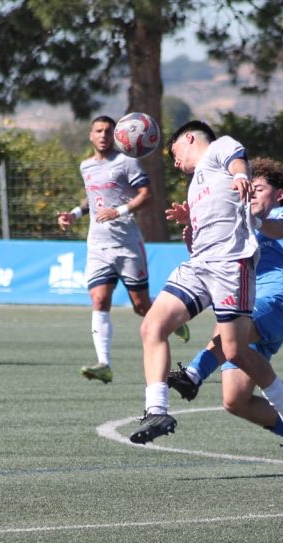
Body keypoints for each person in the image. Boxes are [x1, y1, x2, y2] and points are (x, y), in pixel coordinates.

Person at [130, 121, 283, 468]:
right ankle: (156, 410)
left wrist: (241, 176)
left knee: (233, 346)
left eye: (174, 152)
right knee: (155, 330)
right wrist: (192, 227)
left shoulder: (222, 154)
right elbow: (211, 231)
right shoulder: (198, 185)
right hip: (203, 266)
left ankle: (200, 378)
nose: (174, 162)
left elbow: (237, 158)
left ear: (189, 138)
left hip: (259, 284)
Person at [166, 158, 283, 457]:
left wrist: (254, 220)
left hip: (279, 298)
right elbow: (213, 261)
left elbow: (277, 228)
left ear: (279, 194)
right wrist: (194, 233)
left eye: (259, 188)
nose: (252, 193)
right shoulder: (237, 223)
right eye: (249, 189)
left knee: (230, 322)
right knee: (235, 401)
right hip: (248, 305)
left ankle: (193, 374)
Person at [57, 115, 189, 384]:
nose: (103, 135)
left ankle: (173, 321)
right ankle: (104, 364)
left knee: (141, 306)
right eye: (98, 130)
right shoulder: (86, 166)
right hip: (98, 245)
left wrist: (118, 211)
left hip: (127, 245)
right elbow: (92, 200)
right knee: (99, 300)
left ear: (117, 135)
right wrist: (74, 214)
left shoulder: (127, 162)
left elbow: (147, 195)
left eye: (108, 131)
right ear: (90, 135)